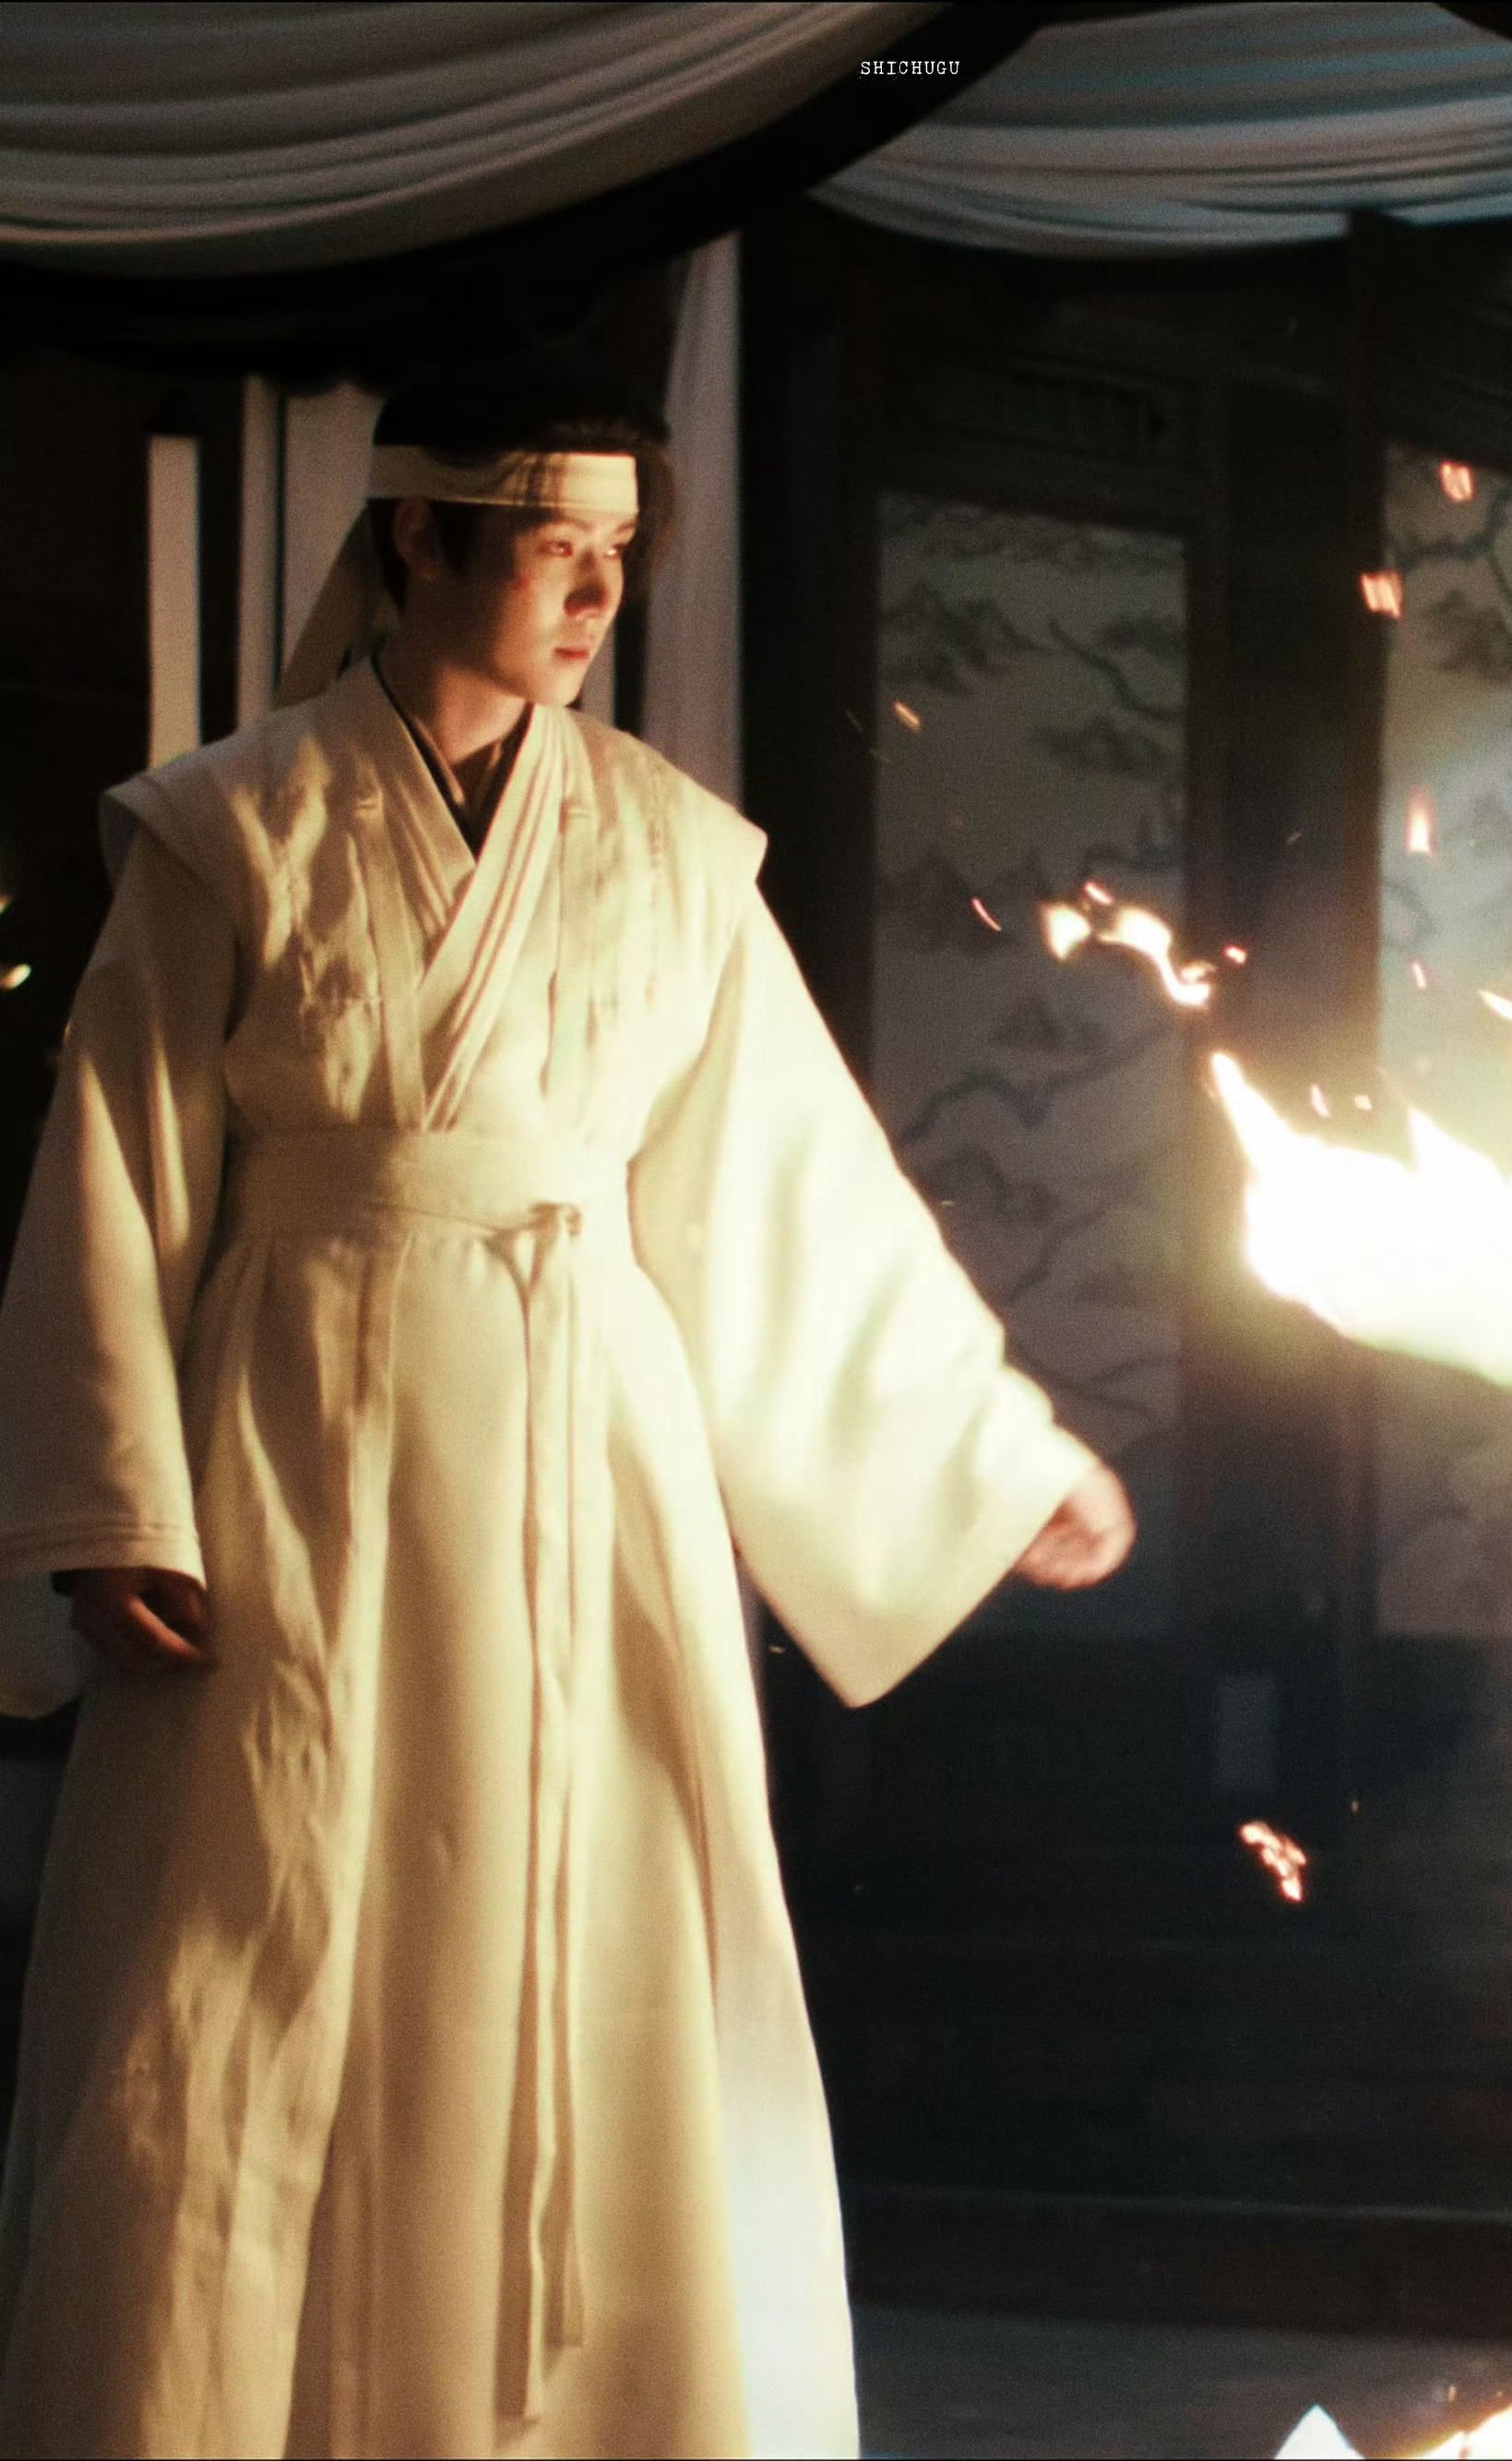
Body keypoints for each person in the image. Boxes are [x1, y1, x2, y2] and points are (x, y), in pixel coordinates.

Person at [0, 361, 1134, 2460]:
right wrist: (109, 1507)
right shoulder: (229, 827)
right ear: (417, 539)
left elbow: (783, 1191)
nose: (599, 594)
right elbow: (118, 1171)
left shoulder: (670, 854)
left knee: (593, 1920)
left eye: (619, 553)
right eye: (555, 547)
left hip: (583, 1457)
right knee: (257, 1932)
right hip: (292, 1450)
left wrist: (986, 1458)